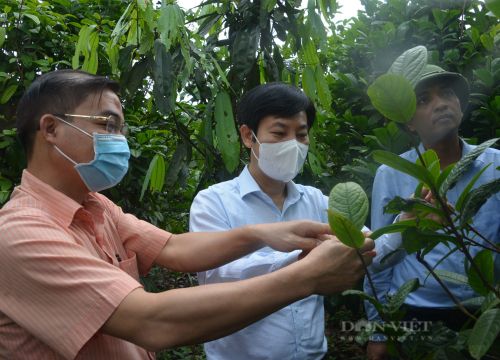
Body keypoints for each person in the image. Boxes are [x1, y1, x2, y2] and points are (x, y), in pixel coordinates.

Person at [0, 69, 376, 360]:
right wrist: (308, 275)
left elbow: (175, 248)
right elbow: (152, 321)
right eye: (107, 125)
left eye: (121, 128)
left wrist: (261, 234)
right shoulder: (20, 234)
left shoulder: (96, 207)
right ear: (50, 128)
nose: (120, 139)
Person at [190, 82, 364, 359]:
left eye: (302, 134)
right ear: (248, 136)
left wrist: (408, 223)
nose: (293, 144)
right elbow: (217, 274)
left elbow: (366, 245)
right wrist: (306, 261)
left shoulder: (316, 200)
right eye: (280, 132)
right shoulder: (213, 201)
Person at [364, 64, 500, 360]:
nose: (440, 103)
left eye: (447, 94)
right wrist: (377, 330)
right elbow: (379, 258)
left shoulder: (495, 164)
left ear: (461, 108)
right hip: (414, 314)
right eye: (424, 100)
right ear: (409, 122)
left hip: (485, 313)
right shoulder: (392, 173)